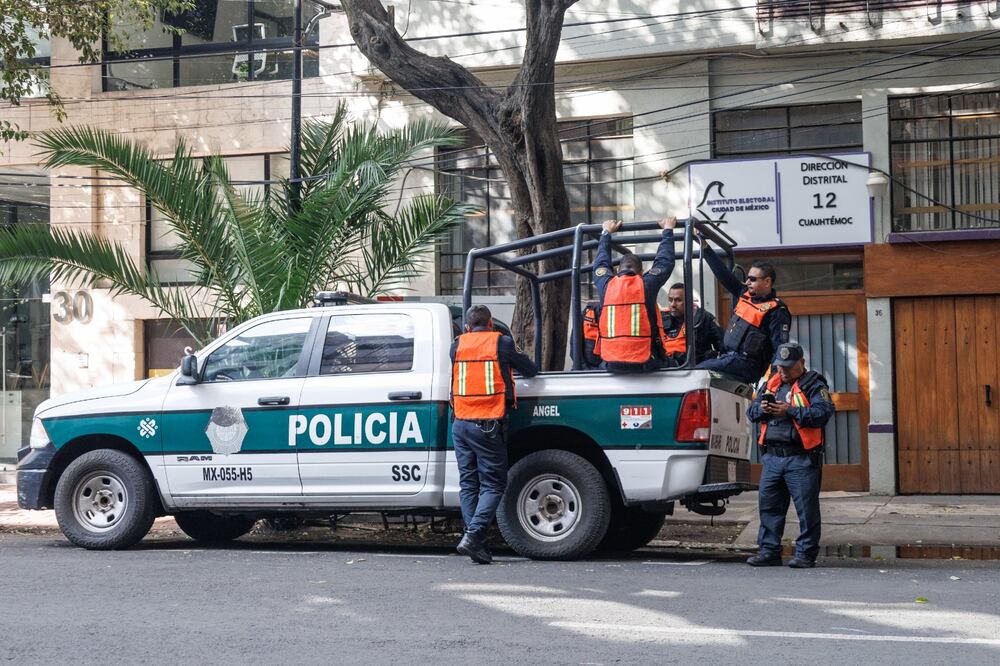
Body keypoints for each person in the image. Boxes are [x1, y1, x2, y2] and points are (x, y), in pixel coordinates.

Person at [450, 304, 538, 564]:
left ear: (468, 327)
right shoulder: (502, 343)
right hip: (486, 424)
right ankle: (474, 535)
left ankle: (476, 544)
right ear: (490, 324)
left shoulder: (456, 345)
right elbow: (530, 369)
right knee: (494, 484)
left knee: (468, 484)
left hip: (460, 424)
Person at [745, 342, 835, 569]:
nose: (783, 371)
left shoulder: (814, 384)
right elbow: (751, 412)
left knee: (806, 509)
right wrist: (762, 410)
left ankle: (805, 554)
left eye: (788, 367)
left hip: (801, 458)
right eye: (780, 367)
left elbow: (822, 414)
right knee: (769, 507)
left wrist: (790, 410)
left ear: (801, 363)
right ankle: (769, 552)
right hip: (773, 458)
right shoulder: (771, 384)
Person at [594, 216, 677, 372]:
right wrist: (668, 230)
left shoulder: (606, 286)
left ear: (618, 270)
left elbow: (600, 263)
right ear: (641, 272)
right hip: (644, 363)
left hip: (611, 363)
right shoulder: (645, 285)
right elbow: (665, 262)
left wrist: (606, 233)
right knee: (676, 365)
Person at [697, 251, 791, 384]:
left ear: (767, 282)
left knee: (698, 371)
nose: (747, 282)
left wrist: (774, 383)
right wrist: (706, 249)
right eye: (747, 278)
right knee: (694, 365)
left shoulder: (777, 310)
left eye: (752, 279)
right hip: (728, 358)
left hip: (748, 365)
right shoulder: (744, 294)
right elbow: (723, 275)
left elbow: (780, 348)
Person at [659, 282, 724, 367]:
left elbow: (722, 346)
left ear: (689, 301)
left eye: (678, 300)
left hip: (694, 369)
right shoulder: (661, 318)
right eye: (670, 300)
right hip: (665, 369)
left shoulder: (704, 318)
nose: (673, 304)